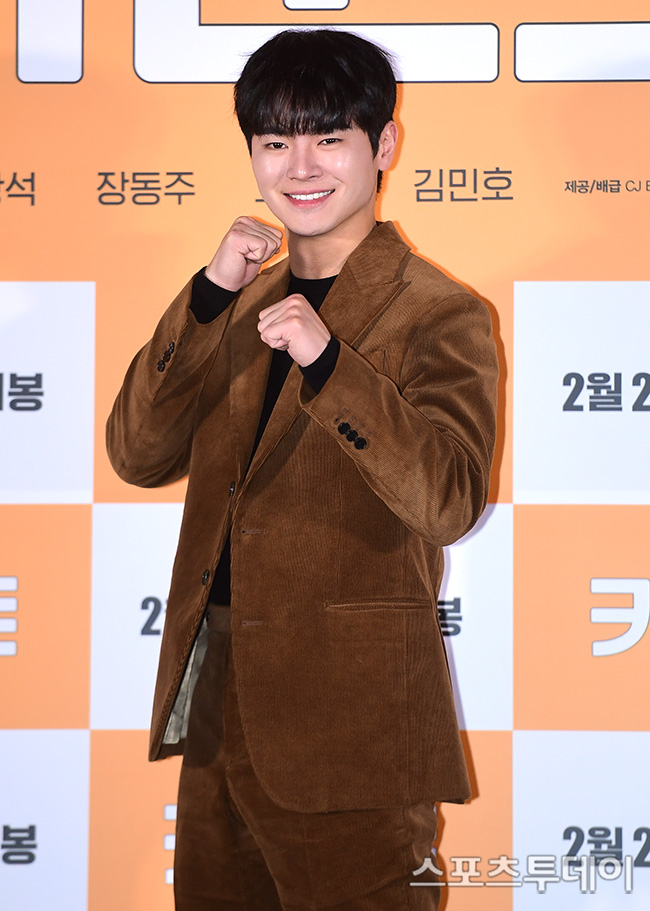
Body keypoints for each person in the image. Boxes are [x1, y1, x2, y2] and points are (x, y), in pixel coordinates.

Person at [107, 28, 498, 911]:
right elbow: (136, 452)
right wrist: (209, 296)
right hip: (219, 701)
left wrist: (330, 364)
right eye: (276, 141)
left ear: (383, 145)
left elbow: (449, 499)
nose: (301, 165)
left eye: (328, 136)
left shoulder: (440, 312)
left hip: (353, 718)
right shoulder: (234, 299)